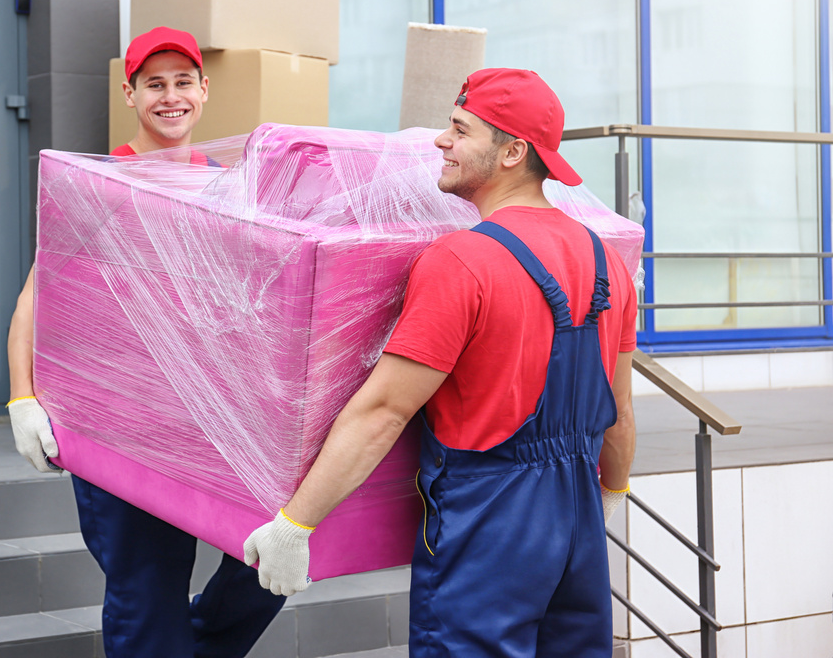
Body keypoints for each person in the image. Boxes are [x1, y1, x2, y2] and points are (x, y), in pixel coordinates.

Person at [243, 68, 637, 657]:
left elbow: (383, 411)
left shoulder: (461, 260)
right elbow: (620, 411)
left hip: (488, 520)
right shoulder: (605, 258)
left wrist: (295, 524)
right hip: (577, 513)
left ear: (512, 152)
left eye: (459, 129)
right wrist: (610, 493)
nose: (439, 141)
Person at [6, 26, 285, 657]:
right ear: (129, 94)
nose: (170, 97)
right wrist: (21, 398)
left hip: (210, 419)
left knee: (267, 565)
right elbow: (35, 297)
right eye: (154, 85)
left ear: (204, 91)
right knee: (147, 585)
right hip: (117, 420)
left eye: (182, 82)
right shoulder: (97, 185)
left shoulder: (230, 185)